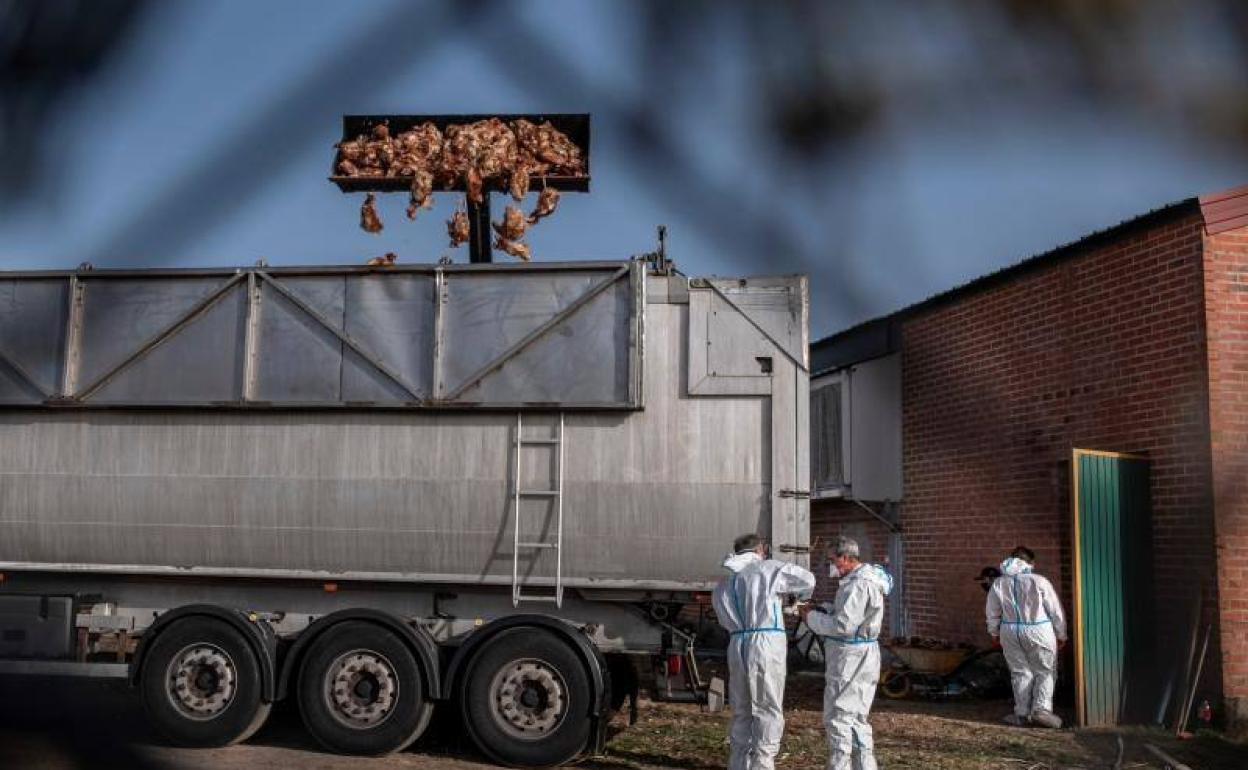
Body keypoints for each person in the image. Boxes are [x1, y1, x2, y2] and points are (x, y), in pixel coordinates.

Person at [713, 532, 817, 770]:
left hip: (737, 642)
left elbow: (722, 619)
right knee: (767, 706)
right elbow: (807, 579)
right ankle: (763, 763)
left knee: (742, 707)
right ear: (760, 550)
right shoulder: (768, 569)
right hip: (766, 640)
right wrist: (797, 600)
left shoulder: (723, 583)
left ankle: (739, 763)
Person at [800, 536, 893, 770]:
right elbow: (850, 615)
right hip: (862, 652)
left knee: (840, 716)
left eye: (833, 560)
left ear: (846, 558)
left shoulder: (857, 585)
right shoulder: (863, 581)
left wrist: (810, 617)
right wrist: (825, 609)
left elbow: (842, 626)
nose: (831, 565)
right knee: (857, 716)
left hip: (850, 656)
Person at [985, 545, 1067, 728]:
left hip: (1009, 631)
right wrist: (1061, 634)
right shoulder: (1039, 581)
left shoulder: (998, 583)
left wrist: (994, 633)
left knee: (1020, 672)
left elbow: (992, 612)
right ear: (1030, 563)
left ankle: (1021, 713)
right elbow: (1055, 611)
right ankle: (1041, 711)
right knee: (1044, 671)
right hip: (1039, 629)